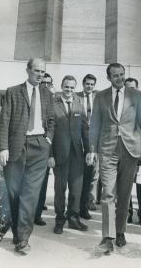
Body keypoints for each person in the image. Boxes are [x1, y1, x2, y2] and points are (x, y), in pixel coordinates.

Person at [87, 63, 141, 254]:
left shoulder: (136, 95)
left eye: (122, 75)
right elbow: (95, 124)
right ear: (108, 77)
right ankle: (107, 236)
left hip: (129, 150)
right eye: (115, 76)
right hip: (107, 149)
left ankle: (120, 231)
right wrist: (92, 150)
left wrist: (139, 147)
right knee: (107, 193)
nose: (120, 78)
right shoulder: (101, 96)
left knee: (124, 194)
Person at [0, 58, 54, 254]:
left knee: (30, 194)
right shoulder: (13, 92)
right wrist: (3, 147)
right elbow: (4, 120)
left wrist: (48, 139)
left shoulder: (48, 94)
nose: (40, 74)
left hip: (39, 146)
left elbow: (51, 119)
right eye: (36, 70)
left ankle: (23, 238)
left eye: (43, 72)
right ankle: (17, 231)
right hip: (15, 147)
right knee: (14, 193)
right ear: (27, 70)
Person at [49, 75, 89, 234]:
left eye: (72, 88)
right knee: (60, 189)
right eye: (66, 87)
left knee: (76, 190)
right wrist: (49, 154)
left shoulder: (80, 104)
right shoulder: (53, 104)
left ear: (75, 88)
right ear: (62, 86)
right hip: (59, 155)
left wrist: (90, 150)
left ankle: (73, 219)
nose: (69, 90)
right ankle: (59, 220)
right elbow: (49, 131)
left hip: (77, 154)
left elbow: (85, 130)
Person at [125, 77, 141, 227]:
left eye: (134, 88)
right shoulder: (121, 105)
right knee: (125, 184)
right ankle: (128, 213)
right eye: (128, 88)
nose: (131, 91)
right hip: (126, 151)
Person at [34, 73, 55, 226]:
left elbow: (53, 127)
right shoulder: (33, 99)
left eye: (49, 83)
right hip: (30, 146)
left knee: (42, 183)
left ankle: (37, 214)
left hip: (45, 147)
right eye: (43, 82)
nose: (46, 85)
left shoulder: (52, 100)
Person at [77, 74, 99, 219]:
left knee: (89, 177)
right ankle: (74, 207)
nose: (89, 86)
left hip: (93, 142)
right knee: (76, 177)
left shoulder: (99, 98)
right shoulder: (76, 96)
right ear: (83, 84)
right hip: (78, 140)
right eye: (87, 84)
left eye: (92, 84)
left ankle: (84, 207)